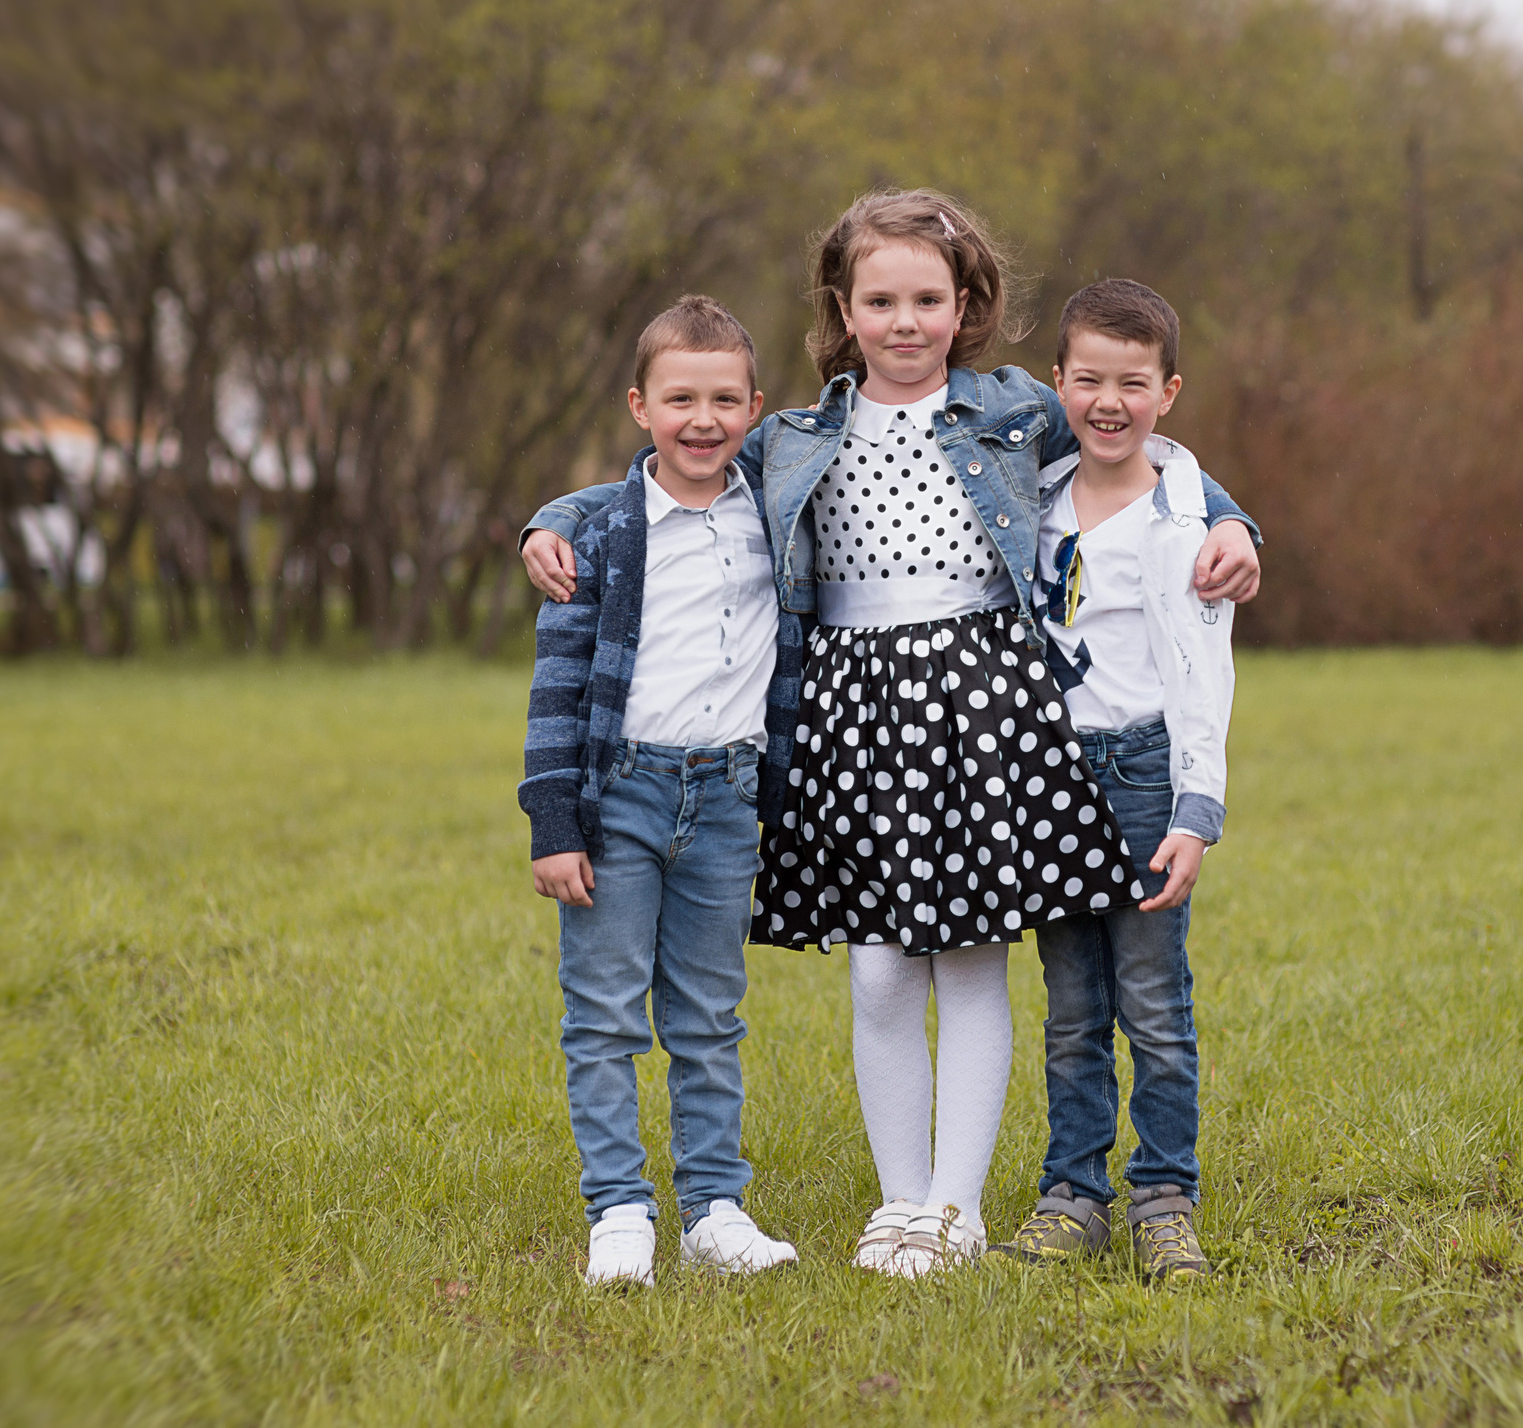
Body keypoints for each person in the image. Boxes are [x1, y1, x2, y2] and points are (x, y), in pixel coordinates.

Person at [519, 189, 1262, 1277]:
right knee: (875, 973)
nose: (905, 320)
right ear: (843, 306)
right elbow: (668, 469)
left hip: (980, 704)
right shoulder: (793, 435)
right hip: (851, 711)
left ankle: (953, 1207)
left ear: (964, 304)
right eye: (881, 299)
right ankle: (899, 1194)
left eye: (927, 297)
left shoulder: (1015, 408)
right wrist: (554, 516)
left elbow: (1136, 440)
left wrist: (1235, 518)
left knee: (966, 955)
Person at [518, 296, 801, 1287]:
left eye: (725, 399)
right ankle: (620, 1210)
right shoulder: (597, 530)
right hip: (620, 792)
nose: (702, 419)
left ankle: (714, 1208)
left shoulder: (774, 511)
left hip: (725, 794)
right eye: (679, 397)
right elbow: (556, 691)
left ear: (754, 407)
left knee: (709, 1012)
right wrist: (555, 820)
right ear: (640, 404)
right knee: (601, 1010)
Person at [997, 279, 1232, 1282]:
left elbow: (1203, 676)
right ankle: (1072, 1193)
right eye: (1086, 378)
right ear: (1056, 383)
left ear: (1167, 391)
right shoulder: (1030, 498)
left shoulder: (1185, 521)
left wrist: (1195, 806)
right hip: (1051, 775)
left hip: (1141, 773)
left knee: (1152, 1000)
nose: (1107, 400)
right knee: (1070, 1005)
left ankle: (1163, 1194)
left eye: (1131, 382)